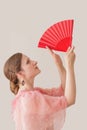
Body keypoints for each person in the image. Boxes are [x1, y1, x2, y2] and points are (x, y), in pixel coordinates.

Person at [3, 46, 76, 130]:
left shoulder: (31, 95)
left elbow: (63, 90)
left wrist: (59, 64)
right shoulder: (29, 98)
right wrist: (69, 65)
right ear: (20, 74)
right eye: (28, 62)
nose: (35, 62)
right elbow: (69, 100)